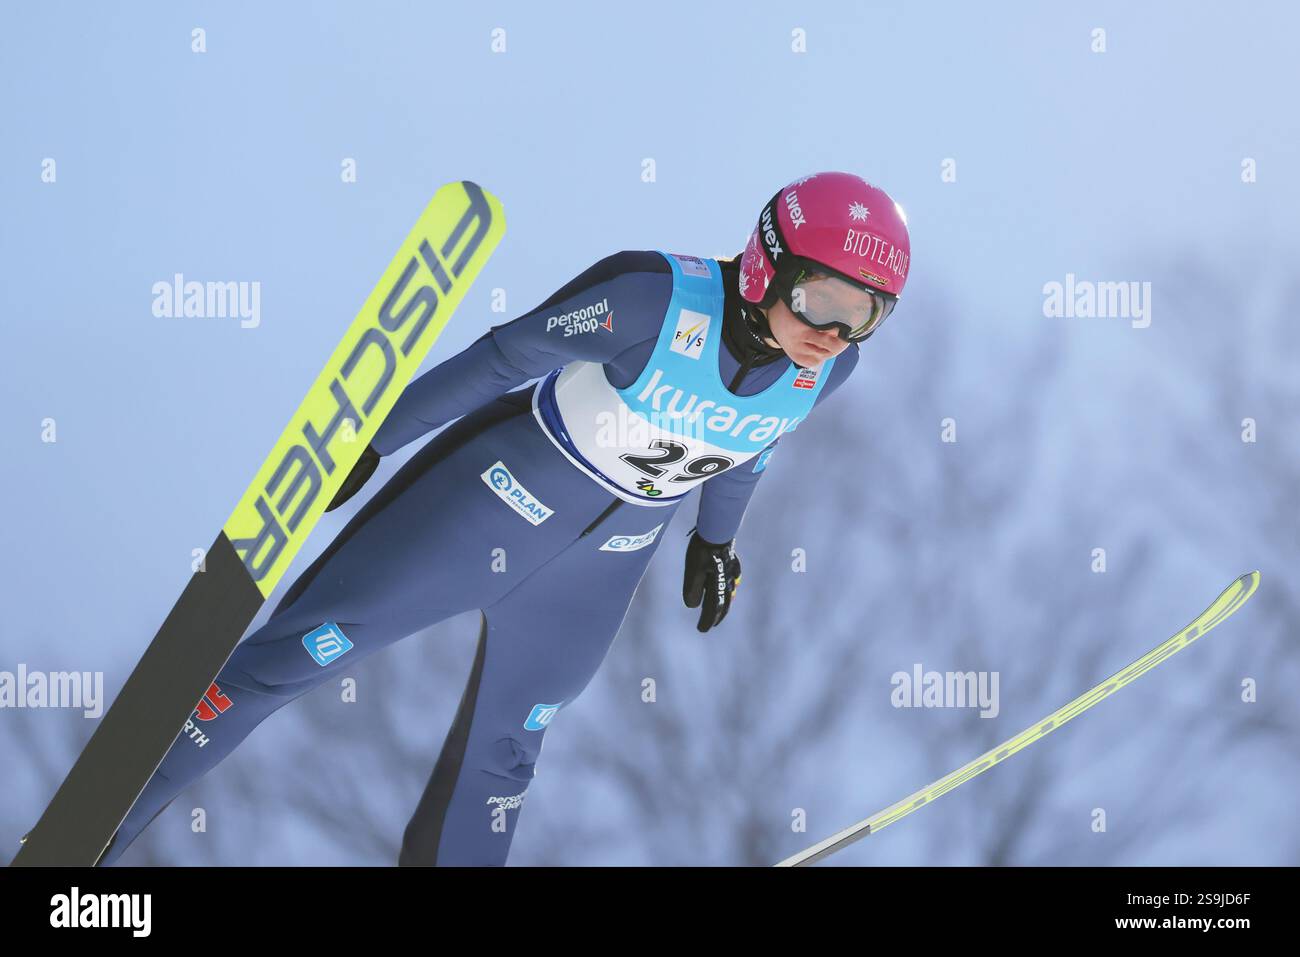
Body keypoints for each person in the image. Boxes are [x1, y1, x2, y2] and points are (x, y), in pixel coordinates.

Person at [100, 170, 912, 866]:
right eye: (821, 300)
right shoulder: (651, 298)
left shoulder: (825, 375)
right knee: (289, 661)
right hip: (491, 500)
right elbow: (504, 357)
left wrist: (715, 539)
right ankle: (90, 839)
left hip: (600, 573)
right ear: (768, 265)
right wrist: (374, 439)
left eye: (865, 315)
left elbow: (756, 443)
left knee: (506, 757)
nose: (832, 334)